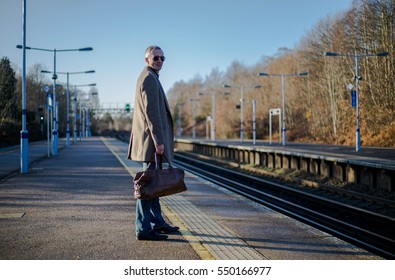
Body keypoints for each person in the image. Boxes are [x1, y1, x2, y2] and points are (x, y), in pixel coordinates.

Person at [127, 45, 179, 241]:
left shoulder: (150, 77)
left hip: (151, 141)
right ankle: (143, 228)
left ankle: (157, 222)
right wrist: (159, 140)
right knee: (147, 186)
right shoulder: (149, 79)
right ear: (147, 59)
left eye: (162, 58)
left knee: (153, 184)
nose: (159, 61)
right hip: (151, 143)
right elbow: (152, 114)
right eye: (155, 58)